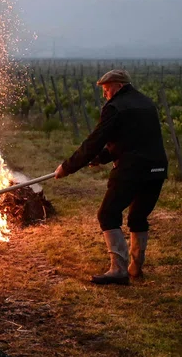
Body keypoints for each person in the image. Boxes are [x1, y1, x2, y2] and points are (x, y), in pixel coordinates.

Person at [54, 69, 168, 285]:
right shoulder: (146, 102)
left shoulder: (115, 107)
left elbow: (94, 141)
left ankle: (118, 270)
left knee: (108, 214)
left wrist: (67, 167)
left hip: (132, 169)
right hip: (157, 167)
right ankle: (136, 267)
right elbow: (133, 140)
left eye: (106, 90)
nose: (105, 95)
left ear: (118, 86)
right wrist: (102, 158)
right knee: (138, 216)